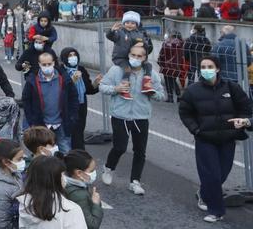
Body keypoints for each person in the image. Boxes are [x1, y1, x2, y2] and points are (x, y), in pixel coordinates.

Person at [179, 55, 253, 223]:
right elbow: (185, 112)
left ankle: (204, 193)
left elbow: (246, 109)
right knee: (211, 175)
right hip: (205, 139)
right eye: (203, 67)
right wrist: (196, 130)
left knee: (221, 174)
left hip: (228, 138)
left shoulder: (231, 88)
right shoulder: (193, 90)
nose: (206, 70)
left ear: (218, 68)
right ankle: (216, 211)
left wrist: (243, 121)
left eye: (210, 66)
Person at [99, 44, 165, 195]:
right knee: (120, 147)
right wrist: (116, 89)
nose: (135, 58)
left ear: (145, 58)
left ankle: (135, 181)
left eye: (139, 56)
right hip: (120, 115)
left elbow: (162, 95)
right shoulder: (117, 70)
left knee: (140, 151)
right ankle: (109, 168)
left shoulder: (151, 74)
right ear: (128, 55)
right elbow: (103, 87)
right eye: (133, 55)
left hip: (141, 116)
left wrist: (152, 93)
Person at [21, 53, 79, 153]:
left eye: (49, 64)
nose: (47, 67)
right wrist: (32, 122)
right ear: (39, 64)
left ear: (54, 63)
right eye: (44, 64)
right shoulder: (32, 81)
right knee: (43, 154)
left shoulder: (64, 79)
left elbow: (73, 98)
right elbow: (26, 101)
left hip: (62, 123)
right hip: (41, 125)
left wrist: (72, 117)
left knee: (66, 152)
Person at [17, 155, 86, 228]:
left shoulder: (25, 204)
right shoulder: (70, 209)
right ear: (55, 180)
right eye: (62, 175)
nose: (64, 178)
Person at [106, 11, 155, 97]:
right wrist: (111, 31)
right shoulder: (119, 33)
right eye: (127, 22)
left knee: (148, 65)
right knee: (127, 69)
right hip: (121, 58)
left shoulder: (139, 34)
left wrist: (146, 44)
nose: (130, 25)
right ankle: (124, 88)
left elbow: (145, 47)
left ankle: (146, 84)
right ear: (123, 23)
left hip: (134, 57)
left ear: (137, 24)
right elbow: (110, 36)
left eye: (133, 23)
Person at [60, 47, 101, 150]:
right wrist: (72, 80)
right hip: (68, 106)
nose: (73, 57)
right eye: (70, 56)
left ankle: (78, 154)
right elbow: (61, 91)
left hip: (81, 105)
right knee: (70, 133)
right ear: (64, 58)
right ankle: (72, 154)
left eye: (75, 55)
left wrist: (96, 83)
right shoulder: (60, 70)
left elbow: (88, 90)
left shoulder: (81, 69)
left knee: (79, 131)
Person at [0, 138, 24, 229]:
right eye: (19, 159)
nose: (23, 162)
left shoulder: (15, 174)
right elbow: (1, 222)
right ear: (6, 162)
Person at [62, 150, 104, 229]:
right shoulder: (78, 195)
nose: (94, 173)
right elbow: (92, 225)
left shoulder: (64, 182)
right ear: (79, 173)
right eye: (91, 171)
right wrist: (96, 204)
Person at [157, 30, 186, 102]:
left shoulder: (167, 43)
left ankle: (170, 97)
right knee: (173, 81)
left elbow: (162, 54)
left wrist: (160, 61)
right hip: (176, 65)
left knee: (168, 81)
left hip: (166, 64)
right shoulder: (181, 43)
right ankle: (179, 95)